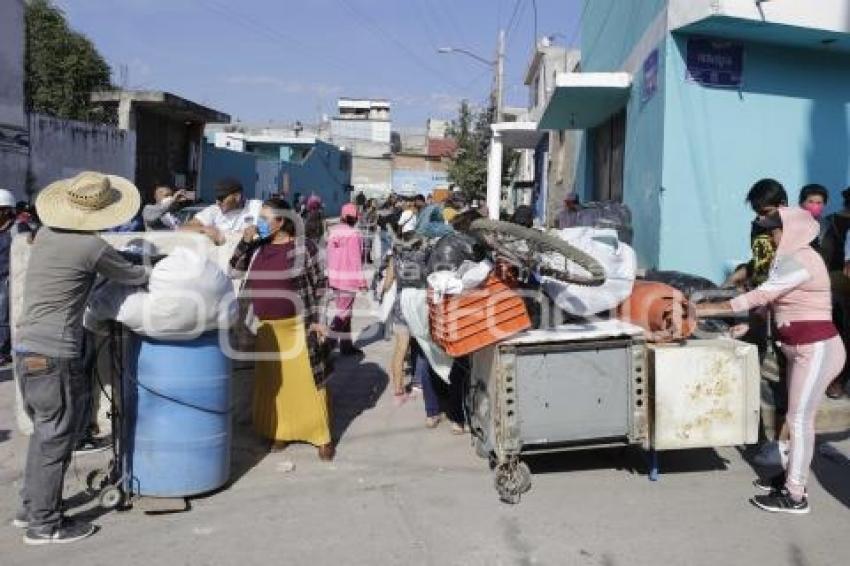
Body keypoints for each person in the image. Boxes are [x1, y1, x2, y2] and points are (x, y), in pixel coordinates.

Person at [15, 171, 149, 544]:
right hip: (55, 353)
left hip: (26, 349)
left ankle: (30, 508)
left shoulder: (46, 235)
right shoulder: (90, 247)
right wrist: (157, 263)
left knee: (44, 436)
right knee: (58, 439)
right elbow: (133, 274)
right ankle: (45, 524)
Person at [697, 207, 844, 514]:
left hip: (817, 348)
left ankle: (795, 495)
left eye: (776, 232)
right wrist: (747, 324)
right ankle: (789, 478)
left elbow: (760, 296)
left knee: (799, 420)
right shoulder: (787, 260)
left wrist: (705, 309)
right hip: (800, 349)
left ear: (794, 232)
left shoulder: (804, 259)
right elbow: (772, 304)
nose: (772, 237)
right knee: (795, 416)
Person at [230, 198, 334, 460]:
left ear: (282, 221)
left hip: (298, 328)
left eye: (265, 219)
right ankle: (281, 432)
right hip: (266, 330)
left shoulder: (305, 247)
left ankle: (322, 436)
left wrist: (321, 319)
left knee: (310, 384)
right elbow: (233, 271)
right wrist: (244, 241)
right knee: (276, 386)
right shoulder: (256, 248)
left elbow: (322, 284)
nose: (260, 224)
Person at [819, 187, 850, 399]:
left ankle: (837, 380)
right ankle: (837, 380)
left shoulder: (829, 221)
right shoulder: (831, 223)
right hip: (837, 283)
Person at [326, 203, 367, 355]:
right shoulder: (354, 234)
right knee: (342, 314)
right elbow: (356, 260)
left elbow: (329, 256)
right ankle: (326, 347)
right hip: (348, 280)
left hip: (335, 278)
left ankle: (346, 345)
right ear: (356, 217)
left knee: (345, 313)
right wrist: (362, 282)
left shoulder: (333, 232)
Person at [0, 189, 31, 366]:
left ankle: (3, 351)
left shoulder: (18, 229)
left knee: (3, 317)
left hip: (8, 279)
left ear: (5, 210)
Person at [184, 177, 261, 244]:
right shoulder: (214, 210)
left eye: (221, 198)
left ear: (237, 197)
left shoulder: (256, 207)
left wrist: (257, 231)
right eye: (217, 198)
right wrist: (204, 229)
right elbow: (184, 228)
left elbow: (270, 224)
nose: (217, 202)